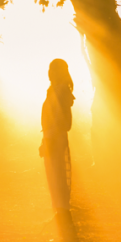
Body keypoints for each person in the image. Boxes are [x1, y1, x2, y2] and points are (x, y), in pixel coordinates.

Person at [40, 59, 74, 215]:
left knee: (57, 172)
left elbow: (60, 120)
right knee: (55, 172)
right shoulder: (55, 90)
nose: (49, 73)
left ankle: (62, 211)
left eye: (52, 70)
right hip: (53, 137)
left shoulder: (59, 92)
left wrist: (48, 139)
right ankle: (60, 210)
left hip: (55, 138)